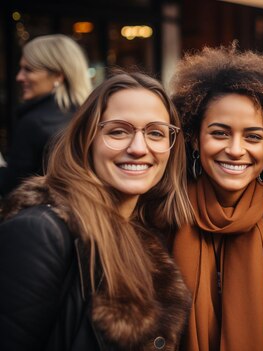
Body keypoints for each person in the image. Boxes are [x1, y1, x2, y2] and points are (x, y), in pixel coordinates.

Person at [0, 72, 194, 350]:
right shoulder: (41, 232)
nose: (139, 148)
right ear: (86, 139)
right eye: (118, 130)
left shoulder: (146, 234)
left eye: (155, 133)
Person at [169, 46, 263, 351]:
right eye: (220, 133)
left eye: (253, 136)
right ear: (194, 137)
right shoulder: (162, 210)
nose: (236, 149)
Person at [0, 34, 92, 196]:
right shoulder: (90, 116)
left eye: (28, 70)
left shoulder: (34, 123)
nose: (19, 77)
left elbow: (12, 188)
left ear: (58, 75)